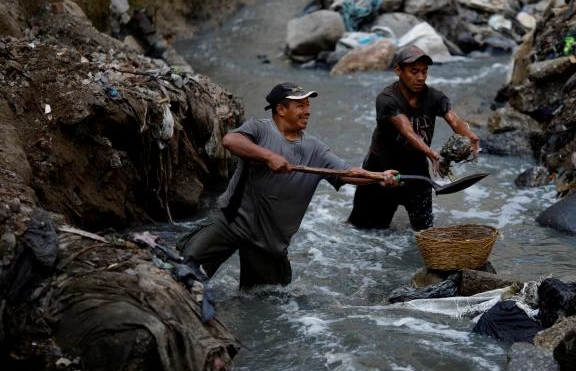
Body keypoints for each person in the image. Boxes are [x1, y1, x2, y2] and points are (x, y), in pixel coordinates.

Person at [178, 82, 399, 288]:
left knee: (267, 300)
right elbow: (230, 141)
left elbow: (346, 173)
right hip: (230, 220)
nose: (308, 110)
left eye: (308, 104)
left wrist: (379, 177)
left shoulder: (315, 149)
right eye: (300, 105)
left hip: (269, 240)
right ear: (281, 109)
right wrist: (268, 157)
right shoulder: (259, 129)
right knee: (182, 271)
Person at [347, 45, 480, 231]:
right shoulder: (386, 99)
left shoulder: (435, 97)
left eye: (425, 72)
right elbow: (407, 131)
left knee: (424, 233)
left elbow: (454, 120)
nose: (421, 77)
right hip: (381, 173)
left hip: (417, 174)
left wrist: (471, 137)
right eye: (414, 71)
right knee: (364, 232)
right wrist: (431, 153)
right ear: (398, 70)